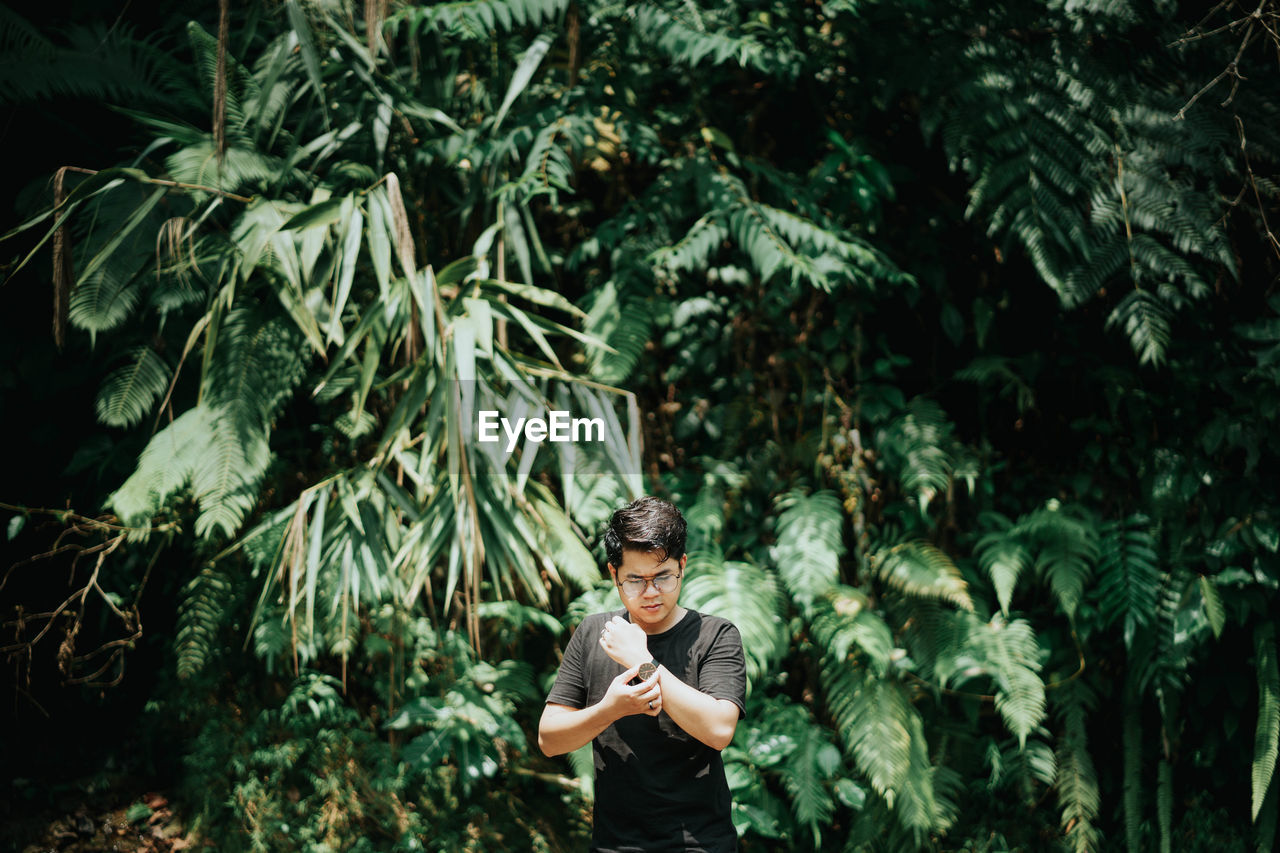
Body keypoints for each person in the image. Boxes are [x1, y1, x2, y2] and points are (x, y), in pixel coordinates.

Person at [538, 496, 747, 852]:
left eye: (663, 577)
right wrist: (611, 709)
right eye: (635, 580)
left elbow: (719, 730)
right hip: (614, 844)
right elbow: (550, 739)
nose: (651, 593)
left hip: (700, 843)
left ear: (682, 565)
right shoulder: (593, 633)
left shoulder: (715, 635)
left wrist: (640, 659)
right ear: (613, 574)